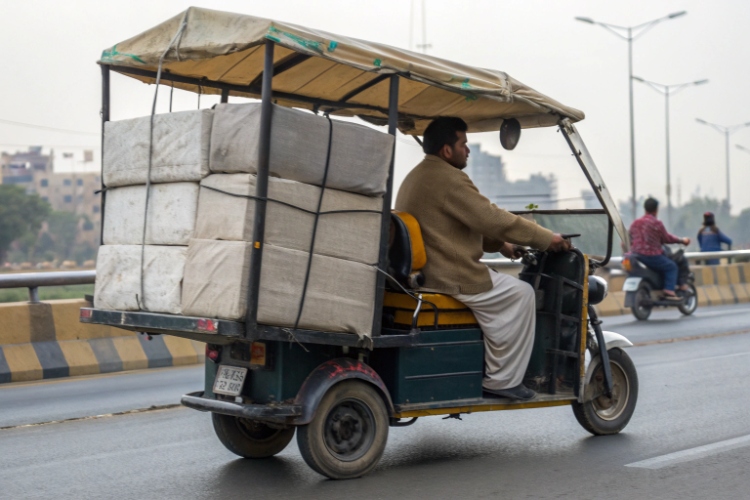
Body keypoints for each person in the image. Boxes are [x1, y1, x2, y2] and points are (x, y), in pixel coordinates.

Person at [395, 117, 571, 401]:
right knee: (522, 293)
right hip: (450, 275)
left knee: (507, 291)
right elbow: (491, 217)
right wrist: (545, 238)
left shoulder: (419, 175)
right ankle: (503, 380)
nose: (468, 150)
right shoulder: (449, 179)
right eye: (463, 144)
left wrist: (502, 246)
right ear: (446, 150)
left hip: (427, 271)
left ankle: (488, 363)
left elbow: (461, 223)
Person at [629, 197, 690, 301]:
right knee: (671, 266)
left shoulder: (635, 223)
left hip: (636, 254)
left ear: (645, 209)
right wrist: (681, 240)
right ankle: (669, 291)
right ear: (656, 210)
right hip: (652, 256)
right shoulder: (657, 224)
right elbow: (667, 238)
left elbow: (630, 237)